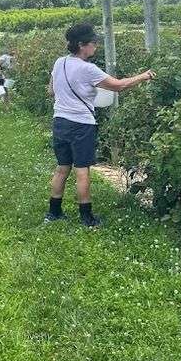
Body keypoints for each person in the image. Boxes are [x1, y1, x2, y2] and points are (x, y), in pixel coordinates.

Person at [45, 22, 154, 228]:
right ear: (81, 45)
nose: (96, 46)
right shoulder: (88, 69)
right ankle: (87, 218)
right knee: (82, 170)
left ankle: (53, 213)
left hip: (60, 121)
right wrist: (144, 75)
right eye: (93, 43)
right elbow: (119, 85)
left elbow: (51, 91)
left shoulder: (60, 63)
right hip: (81, 125)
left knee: (62, 168)